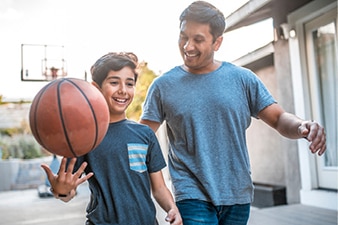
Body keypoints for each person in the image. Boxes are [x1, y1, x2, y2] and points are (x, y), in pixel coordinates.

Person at [139, 1, 326, 224]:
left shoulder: (243, 79)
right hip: (191, 194)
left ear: (217, 42)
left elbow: (278, 118)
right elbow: (142, 138)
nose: (187, 47)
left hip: (237, 193)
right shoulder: (163, 86)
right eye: (183, 37)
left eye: (198, 39)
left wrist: (301, 126)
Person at [41, 52, 182, 225]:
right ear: (96, 88)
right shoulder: (84, 137)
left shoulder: (144, 134)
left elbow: (159, 187)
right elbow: (68, 192)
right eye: (114, 82)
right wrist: (61, 190)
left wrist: (171, 208)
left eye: (129, 84)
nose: (123, 90)